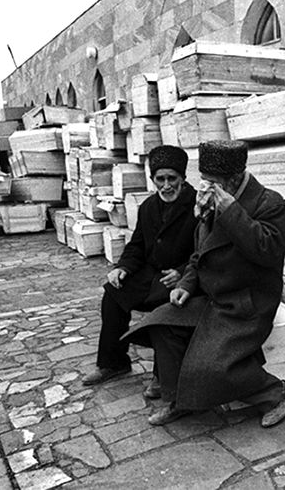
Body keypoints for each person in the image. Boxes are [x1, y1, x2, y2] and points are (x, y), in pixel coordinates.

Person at [122, 139, 285, 428]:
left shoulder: (268, 203)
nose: (204, 186)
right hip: (213, 298)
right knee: (161, 324)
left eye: (211, 181)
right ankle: (180, 400)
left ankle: (275, 394)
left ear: (233, 179)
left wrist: (232, 212)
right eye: (204, 179)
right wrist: (186, 284)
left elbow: (269, 251)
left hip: (247, 303)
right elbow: (199, 253)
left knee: (211, 367)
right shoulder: (213, 199)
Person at [82, 145, 198, 399]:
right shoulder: (148, 206)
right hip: (150, 274)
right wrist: (122, 268)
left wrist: (182, 273)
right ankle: (114, 362)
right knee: (113, 294)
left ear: (183, 178)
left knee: (165, 311)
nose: (166, 186)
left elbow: (205, 251)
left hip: (182, 279)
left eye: (172, 179)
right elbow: (137, 245)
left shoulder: (198, 206)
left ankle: (163, 375)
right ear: (152, 179)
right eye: (160, 179)